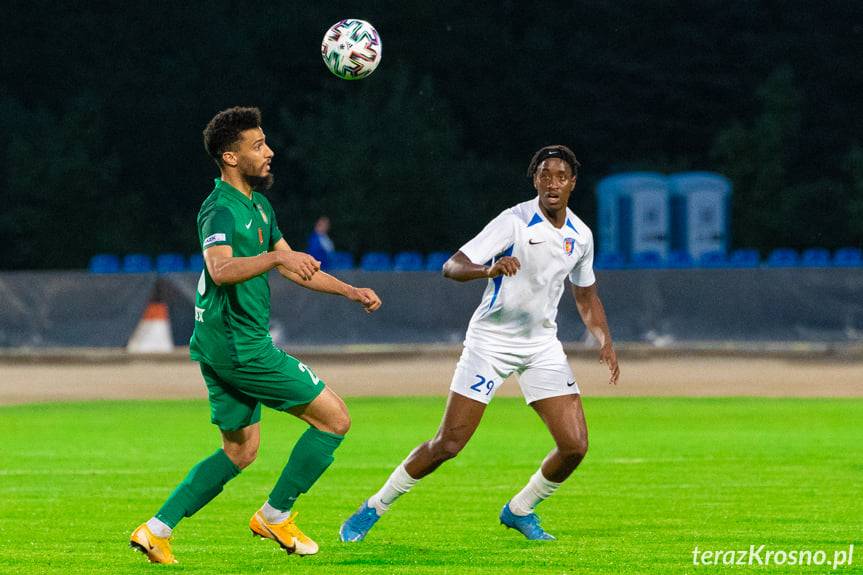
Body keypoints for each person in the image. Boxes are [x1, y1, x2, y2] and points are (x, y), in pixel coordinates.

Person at [130, 106, 381, 564]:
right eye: (258, 145)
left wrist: (349, 291)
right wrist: (275, 260)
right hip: (241, 348)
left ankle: (156, 529)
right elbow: (221, 270)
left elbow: (296, 266)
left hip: (219, 347)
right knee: (335, 419)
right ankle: (275, 514)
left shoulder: (259, 206)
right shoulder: (219, 210)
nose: (270, 151)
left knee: (240, 450)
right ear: (230, 156)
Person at [340, 145, 619, 542]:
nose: (552, 182)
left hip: (541, 346)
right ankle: (374, 506)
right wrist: (489, 268)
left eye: (561, 176)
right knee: (448, 444)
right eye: (545, 175)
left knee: (574, 446)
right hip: (491, 343)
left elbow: (586, 295)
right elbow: (451, 266)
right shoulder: (514, 222)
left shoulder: (581, 235)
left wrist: (604, 339)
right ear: (535, 180)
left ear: (573, 183)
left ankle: (520, 510)